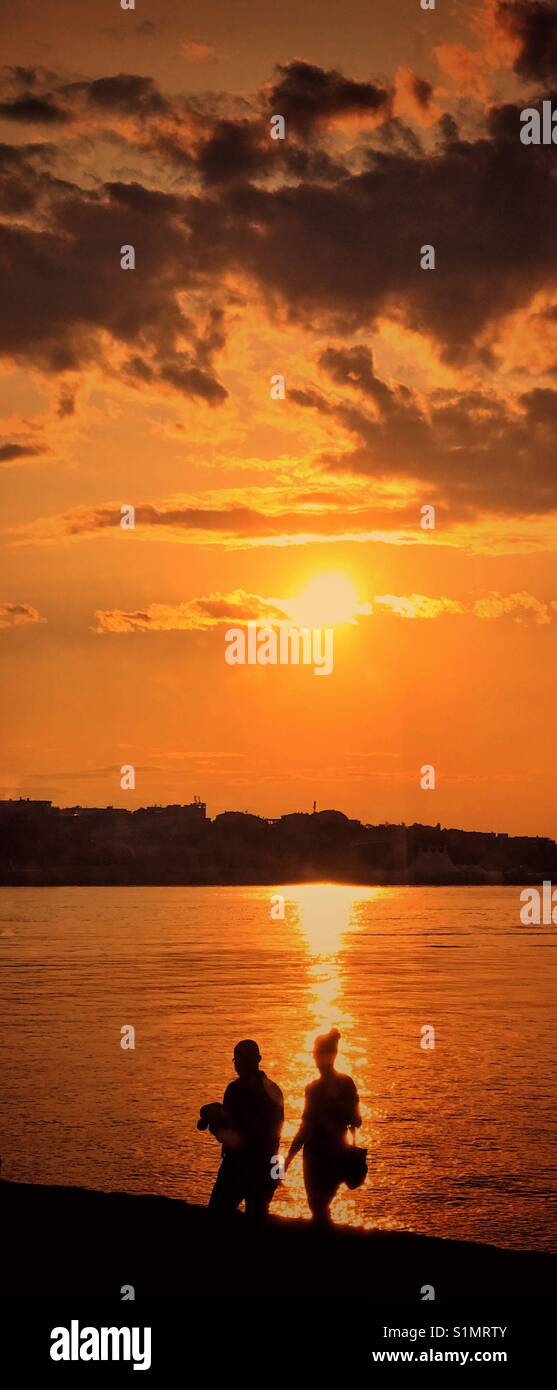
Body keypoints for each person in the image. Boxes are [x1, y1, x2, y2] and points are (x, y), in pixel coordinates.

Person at [285, 1027, 361, 1223]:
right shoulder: (347, 1083)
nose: (314, 1058)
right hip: (338, 1150)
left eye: (316, 1053)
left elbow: (305, 1129)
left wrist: (287, 1160)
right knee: (322, 1205)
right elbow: (357, 1120)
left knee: (317, 1206)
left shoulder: (313, 1089)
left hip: (316, 1154)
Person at [208, 1039, 284, 1221]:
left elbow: (232, 1135)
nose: (239, 1064)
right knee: (257, 1217)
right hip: (268, 1163)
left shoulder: (235, 1090)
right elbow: (276, 1133)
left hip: (238, 1165)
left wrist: (216, 1129)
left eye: (240, 1060)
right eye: (237, 1060)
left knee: (217, 1214)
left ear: (257, 1059)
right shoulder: (274, 1090)